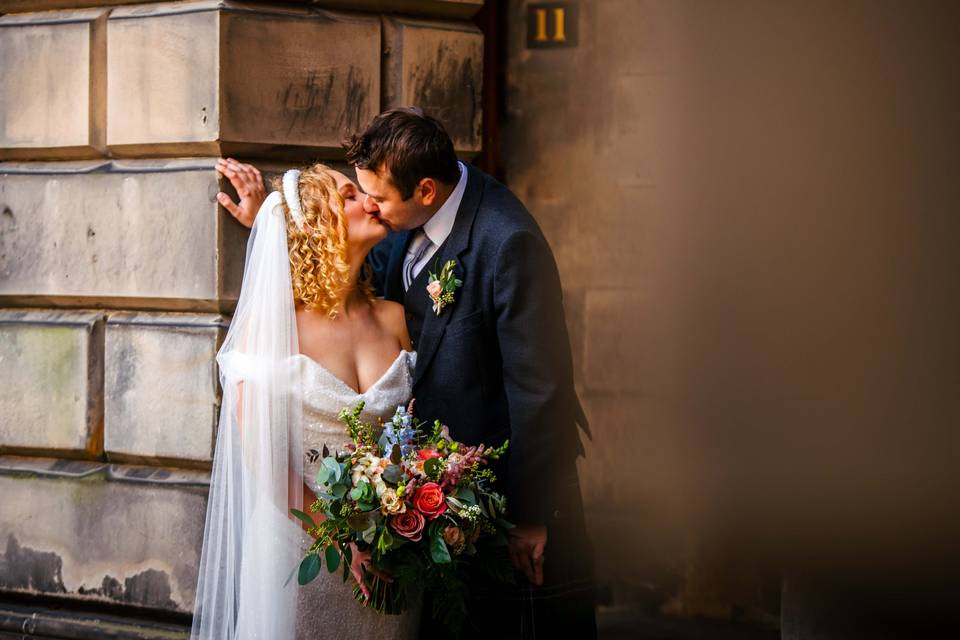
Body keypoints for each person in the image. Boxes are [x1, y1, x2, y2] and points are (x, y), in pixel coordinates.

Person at [218, 107, 597, 639]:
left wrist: (533, 513)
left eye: (373, 196)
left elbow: (541, 390)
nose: (370, 204)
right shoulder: (399, 230)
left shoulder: (506, 241)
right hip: (322, 547)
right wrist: (270, 223)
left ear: (423, 190)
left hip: (488, 505)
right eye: (356, 193)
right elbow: (328, 268)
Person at [191, 163, 420, 639]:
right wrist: (343, 543)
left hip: (392, 555)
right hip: (302, 557)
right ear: (321, 223)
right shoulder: (272, 332)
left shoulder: (398, 318)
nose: (371, 200)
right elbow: (264, 461)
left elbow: (417, 433)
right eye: (351, 195)